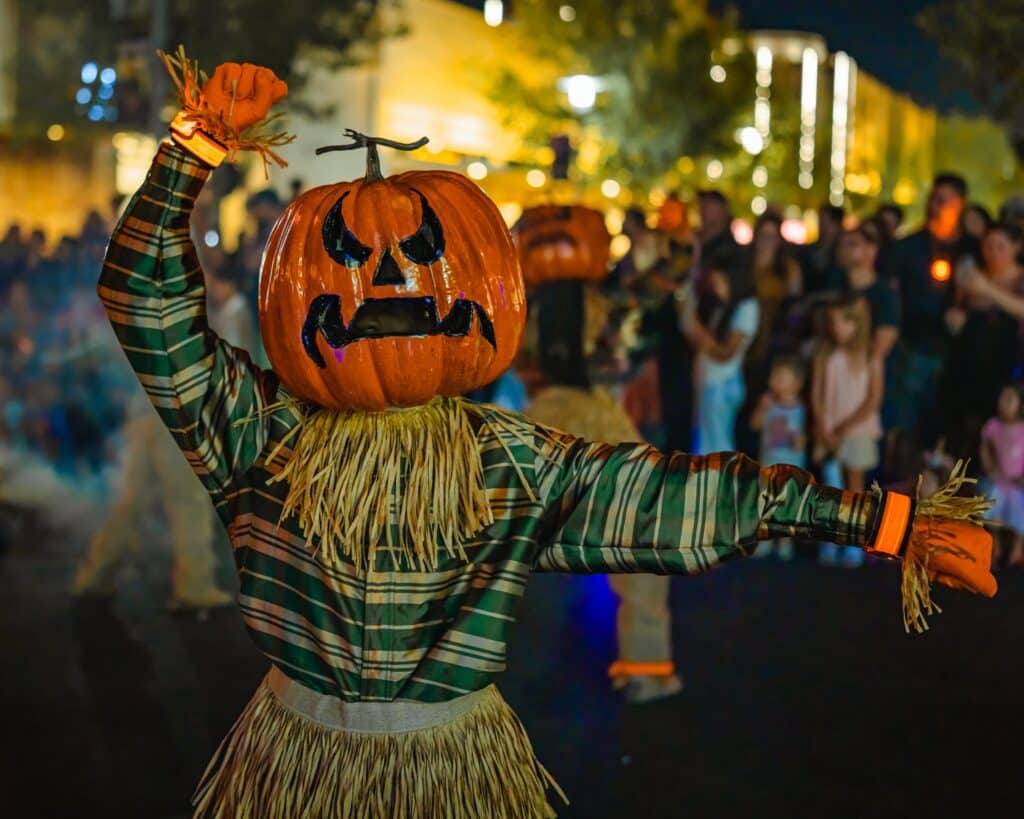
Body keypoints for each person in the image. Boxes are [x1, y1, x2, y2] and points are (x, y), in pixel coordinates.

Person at [101, 56, 997, 819]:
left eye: (421, 254)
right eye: (348, 258)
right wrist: (193, 146)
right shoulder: (261, 434)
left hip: (448, 771)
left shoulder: (503, 462)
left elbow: (682, 498)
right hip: (294, 765)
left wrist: (882, 520)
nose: (383, 282)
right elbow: (143, 299)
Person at [879, 172, 979, 451]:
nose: (936, 206)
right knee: (905, 425)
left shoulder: (971, 248)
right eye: (933, 199)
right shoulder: (907, 247)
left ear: (959, 204)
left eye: (944, 201)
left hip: (959, 354)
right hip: (914, 348)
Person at [941, 222, 1024, 461]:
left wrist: (988, 289)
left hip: (1007, 368)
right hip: (968, 367)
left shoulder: (1018, 279)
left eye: (1001, 246)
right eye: (989, 245)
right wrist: (955, 318)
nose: (994, 252)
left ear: (1016, 247)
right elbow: (958, 309)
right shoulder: (973, 276)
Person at [812, 295, 883, 568]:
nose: (837, 328)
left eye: (844, 322)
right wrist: (822, 424)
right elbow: (817, 395)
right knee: (830, 488)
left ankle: (855, 543)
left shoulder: (869, 355)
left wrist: (845, 426)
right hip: (830, 429)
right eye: (833, 322)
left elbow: (872, 400)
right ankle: (832, 541)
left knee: (855, 489)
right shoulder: (826, 353)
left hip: (857, 431)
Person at [685, 263, 759, 454]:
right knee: (704, 441)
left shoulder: (747, 307)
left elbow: (726, 353)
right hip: (709, 381)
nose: (715, 288)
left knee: (717, 445)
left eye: (720, 282)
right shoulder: (722, 306)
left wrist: (698, 331)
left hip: (722, 384)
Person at [749, 356, 807, 560]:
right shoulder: (768, 404)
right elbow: (754, 425)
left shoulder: (800, 409)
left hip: (790, 469)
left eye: (782, 377)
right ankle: (764, 540)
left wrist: (799, 441)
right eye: (774, 376)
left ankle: (784, 542)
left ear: (797, 384)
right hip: (768, 465)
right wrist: (762, 409)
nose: (775, 381)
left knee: (786, 506)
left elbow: (801, 440)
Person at [828, 222, 901, 363]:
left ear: (871, 250)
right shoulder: (835, 286)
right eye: (841, 245)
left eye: (852, 244)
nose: (844, 250)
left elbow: (880, 350)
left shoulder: (885, 295)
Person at [980, 384, 1024, 567]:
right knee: (990, 502)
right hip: (999, 480)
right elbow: (984, 447)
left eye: (1009, 399)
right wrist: (989, 467)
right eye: (1001, 398)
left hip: (1018, 482)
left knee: (1020, 509)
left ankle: (1017, 549)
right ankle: (995, 544)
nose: (1003, 403)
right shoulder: (993, 426)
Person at [801, 204, 844, 294]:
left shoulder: (843, 254)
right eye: (821, 222)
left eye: (826, 223)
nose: (822, 227)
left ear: (837, 225)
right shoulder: (808, 252)